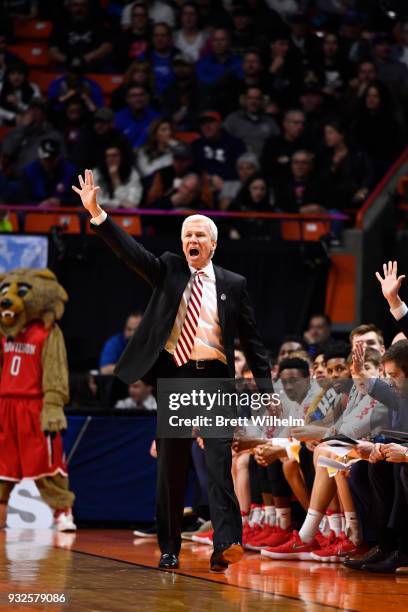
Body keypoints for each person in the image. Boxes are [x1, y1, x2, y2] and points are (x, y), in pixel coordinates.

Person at [73, 170, 273, 572]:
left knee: (219, 461)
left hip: (216, 379)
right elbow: (131, 253)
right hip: (178, 378)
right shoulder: (168, 269)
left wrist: (266, 392)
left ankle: (227, 542)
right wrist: (98, 215)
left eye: (200, 235)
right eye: (187, 235)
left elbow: (252, 342)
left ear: (213, 244)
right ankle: (169, 547)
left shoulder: (234, 284)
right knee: (171, 467)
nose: (192, 240)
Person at [49, 0, 113, 72]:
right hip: (67, 65)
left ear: (88, 7)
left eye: (83, 5)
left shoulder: (98, 23)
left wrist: (85, 59)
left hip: (93, 64)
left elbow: (107, 47)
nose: (79, 9)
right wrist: (69, 60)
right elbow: (53, 51)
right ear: (69, 7)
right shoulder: (60, 25)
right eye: (75, 5)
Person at [223, 87, 280, 159]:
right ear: (244, 100)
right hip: (238, 163)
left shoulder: (270, 121)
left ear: (263, 101)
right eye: (250, 98)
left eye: (257, 98)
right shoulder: (233, 119)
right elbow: (222, 140)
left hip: (264, 162)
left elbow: (279, 142)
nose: (253, 102)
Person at [19, 138, 76, 207]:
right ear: (40, 158)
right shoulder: (30, 171)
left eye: (52, 158)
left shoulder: (70, 170)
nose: (49, 162)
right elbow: (22, 200)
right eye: (46, 159)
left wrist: (61, 202)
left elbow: (77, 200)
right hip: (35, 213)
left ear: (58, 157)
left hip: (63, 213)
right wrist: (38, 205)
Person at [92, 144, 143, 209]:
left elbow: (133, 203)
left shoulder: (132, 174)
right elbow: (94, 200)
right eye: (108, 156)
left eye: (115, 155)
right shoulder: (96, 173)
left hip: (125, 215)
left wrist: (115, 179)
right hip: (100, 214)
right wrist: (118, 204)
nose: (111, 159)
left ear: (121, 157)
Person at [115, 84, 159, 148]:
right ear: (127, 99)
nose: (138, 99)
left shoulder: (156, 118)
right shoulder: (118, 118)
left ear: (147, 97)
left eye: (141, 95)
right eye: (134, 96)